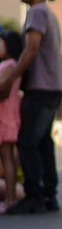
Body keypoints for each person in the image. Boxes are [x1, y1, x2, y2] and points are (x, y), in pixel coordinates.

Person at [0, 0, 62, 214]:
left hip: (41, 87)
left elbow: (31, 49)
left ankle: (34, 195)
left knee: (27, 141)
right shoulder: (48, 13)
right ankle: (50, 194)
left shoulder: (37, 13)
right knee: (44, 142)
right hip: (53, 86)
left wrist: (10, 79)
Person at [0, 31, 23, 212]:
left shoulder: (10, 65)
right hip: (6, 111)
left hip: (5, 112)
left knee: (6, 155)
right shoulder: (9, 64)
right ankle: (10, 198)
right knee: (6, 156)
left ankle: (10, 199)